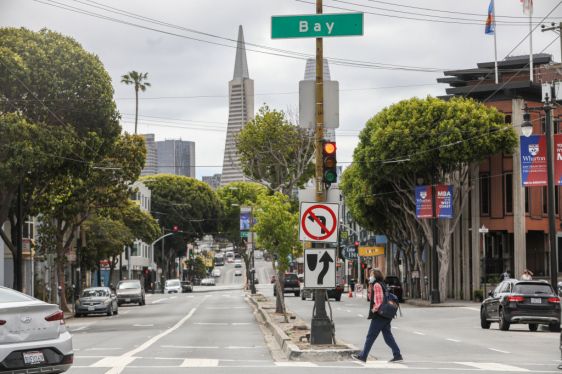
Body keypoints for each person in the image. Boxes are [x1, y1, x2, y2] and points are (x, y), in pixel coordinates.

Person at [352, 268, 403, 363]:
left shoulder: (376, 285)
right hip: (386, 315)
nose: (369, 277)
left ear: (375, 276)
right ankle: (397, 354)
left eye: (371, 275)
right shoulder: (382, 284)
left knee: (370, 336)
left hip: (380, 314)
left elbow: (379, 301)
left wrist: (374, 309)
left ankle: (363, 356)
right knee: (388, 336)